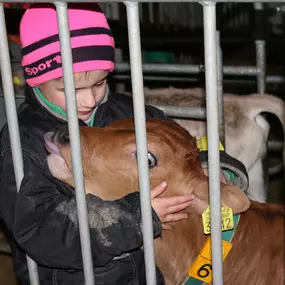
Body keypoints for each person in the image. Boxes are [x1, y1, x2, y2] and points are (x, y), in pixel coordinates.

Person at [0, 3, 249, 285]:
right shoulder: (24, 140)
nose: (88, 100)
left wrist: (211, 169)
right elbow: (39, 230)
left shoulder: (131, 112)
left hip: (149, 274)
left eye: (99, 83)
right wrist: (136, 217)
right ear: (36, 80)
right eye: (68, 89)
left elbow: (183, 146)